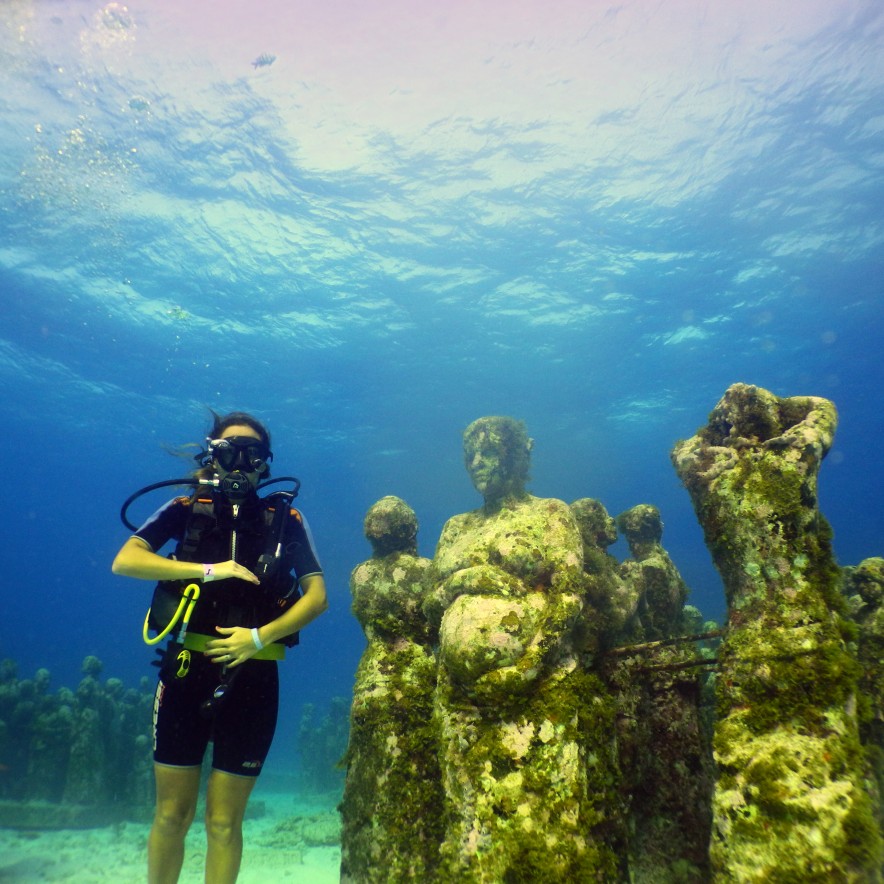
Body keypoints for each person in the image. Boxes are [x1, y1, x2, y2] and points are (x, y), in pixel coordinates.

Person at [112, 411, 328, 884]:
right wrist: (210, 570)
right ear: (213, 455)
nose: (239, 464)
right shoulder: (188, 507)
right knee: (171, 815)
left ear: (264, 465)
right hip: (188, 670)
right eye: (229, 451)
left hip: (254, 677)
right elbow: (126, 561)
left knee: (225, 822)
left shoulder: (283, 517)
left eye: (252, 455)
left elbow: (318, 596)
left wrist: (258, 637)